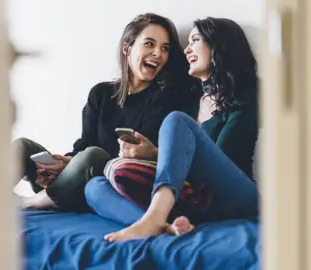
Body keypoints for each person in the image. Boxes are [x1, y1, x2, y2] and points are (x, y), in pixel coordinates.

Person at [85, 17, 259, 241]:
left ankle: (154, 218)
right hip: (193, 199)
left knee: (176, 120)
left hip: (235, 195)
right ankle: (162, 225)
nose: (187, 50)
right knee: (94, 187)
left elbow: (223, 159)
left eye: (195, 40)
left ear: (219, 45)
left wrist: (155, 153)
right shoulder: (189, 98)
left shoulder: (245, 97)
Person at [13, 13, 198, 213]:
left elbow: (133, 161)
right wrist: (63, 164)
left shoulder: (165, 99)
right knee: (23, 146)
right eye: (149, 44)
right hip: (76, 176)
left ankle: (29, 203)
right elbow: (84, 144)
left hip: (102, 187)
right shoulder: (101, 93)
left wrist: (84, 162)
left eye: (165, 48)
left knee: (95, 155)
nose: (158, 53)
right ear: (126, 49)